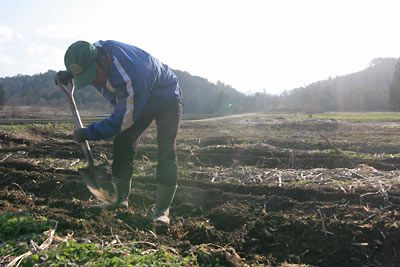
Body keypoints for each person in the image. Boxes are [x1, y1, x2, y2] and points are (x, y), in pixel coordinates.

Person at [56, 40, 182, 225]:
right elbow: (89, 66)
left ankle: (162, 210)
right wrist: (70, 74)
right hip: (136, 97)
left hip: (166, 98)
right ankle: (119, 200)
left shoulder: (130, 74)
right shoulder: (92, 55)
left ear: (104, 61)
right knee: (123, 144)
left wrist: (90, 132)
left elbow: (123, 120)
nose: (94, 81)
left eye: (93, 75)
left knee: (166, 149)